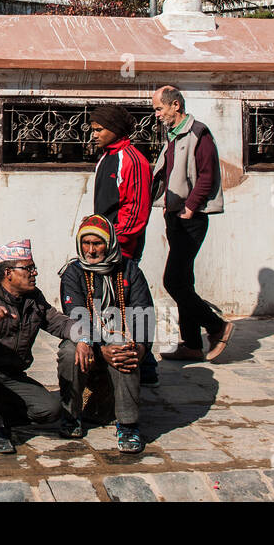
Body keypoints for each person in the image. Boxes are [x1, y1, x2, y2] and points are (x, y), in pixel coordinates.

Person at [0, 240, 80, 455]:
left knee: (51, 410)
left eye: (33, 268)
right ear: (8, 273)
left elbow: (58, 323)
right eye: (28, 268)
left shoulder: (33, 299)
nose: (34, 273)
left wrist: (86, 337)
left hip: (10, 375)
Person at [56, 215, 155, 454]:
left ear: (109, 243)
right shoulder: (73, 273)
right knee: (70, 352)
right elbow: (77, 314)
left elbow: (143, 313)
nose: (91, 250)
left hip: (117, 338)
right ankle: (71, 416)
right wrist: (99, 348)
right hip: (88, 341)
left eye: (97, 243)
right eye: (86, 243)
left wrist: (139, 348)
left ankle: (128, 425)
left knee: (125, 352)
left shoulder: (129, 270)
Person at [150, 85, 233, 362]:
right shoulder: (173, 136)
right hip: (174, 215)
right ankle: (192, 344)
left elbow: (207, 175)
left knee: (173, 281)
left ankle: (217, 326)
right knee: (184, 281)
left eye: (159, 108)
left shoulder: (199, 133)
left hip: (191, 218)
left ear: (175, 105)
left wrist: (190, 207)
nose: (157, 114)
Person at [89, 103, 157, 386]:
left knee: (129, 306)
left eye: (99, 130)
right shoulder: (107, 157)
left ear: (115, 130)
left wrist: (114, 242)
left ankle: (146, 364)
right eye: (93, 130)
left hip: (122, 249)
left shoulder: (133, 160)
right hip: (105, 246)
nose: (94, 135)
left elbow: (137, 211)